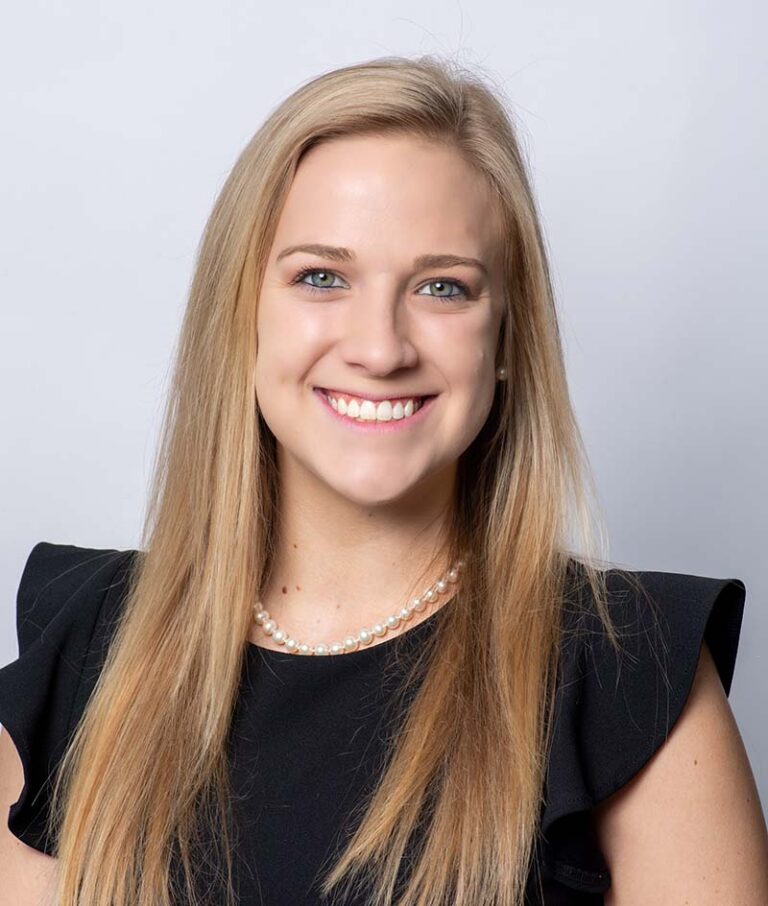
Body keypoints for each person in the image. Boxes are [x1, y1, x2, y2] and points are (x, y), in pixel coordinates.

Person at [1, 54, 766, 906]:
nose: (380, 346)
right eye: (321, 277)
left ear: (508, 339)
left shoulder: (630, 672)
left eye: (443, 287)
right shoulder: (90, 648)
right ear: (241, 309)